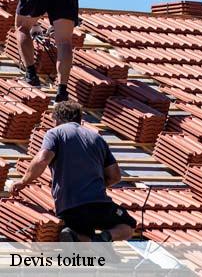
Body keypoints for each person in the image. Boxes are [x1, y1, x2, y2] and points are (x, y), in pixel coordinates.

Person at [10, 101, 136, 242]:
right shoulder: (97, 138)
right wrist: (94, 186)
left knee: (79, 230)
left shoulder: (55, 133)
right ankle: (102, 238)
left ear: (57, 120)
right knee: (128, 226)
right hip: (99, 203)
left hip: (69, 207)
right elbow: (115, 176)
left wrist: (23, 181)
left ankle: (76, 236)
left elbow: (42, 160)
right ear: (79, 119)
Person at [15, 0, 78, 102]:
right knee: (64, 41)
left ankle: (31, 74)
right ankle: (62, 89)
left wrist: (34, 24)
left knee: (21, 28)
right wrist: (58, 22)